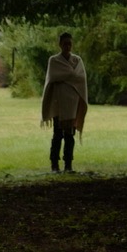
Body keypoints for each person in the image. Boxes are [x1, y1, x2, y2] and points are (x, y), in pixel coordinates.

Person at [41, 32, 88, 173]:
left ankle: (68, 165)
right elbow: (54, 76)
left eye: (70, 43)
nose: (68, 46)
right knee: (57, 134)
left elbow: (81, 78)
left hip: (73, 104)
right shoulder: (54, 60)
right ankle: (54, 165)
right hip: (58, 104)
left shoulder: (77, 60)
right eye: (65, 43)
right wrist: (71, 76)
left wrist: (67, 78)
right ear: (60, 44)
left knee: (70, 135)